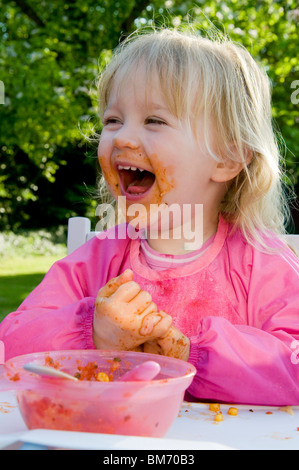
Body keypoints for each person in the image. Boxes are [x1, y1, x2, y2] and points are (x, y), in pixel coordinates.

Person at [1, 27, 298, 406]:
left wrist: (193, 356)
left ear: (227, 158)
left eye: (154, 121)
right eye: (112, 121)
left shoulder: (260, 262)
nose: (122, 138)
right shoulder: (99, 258)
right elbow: (12, 344)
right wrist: (92, 329)